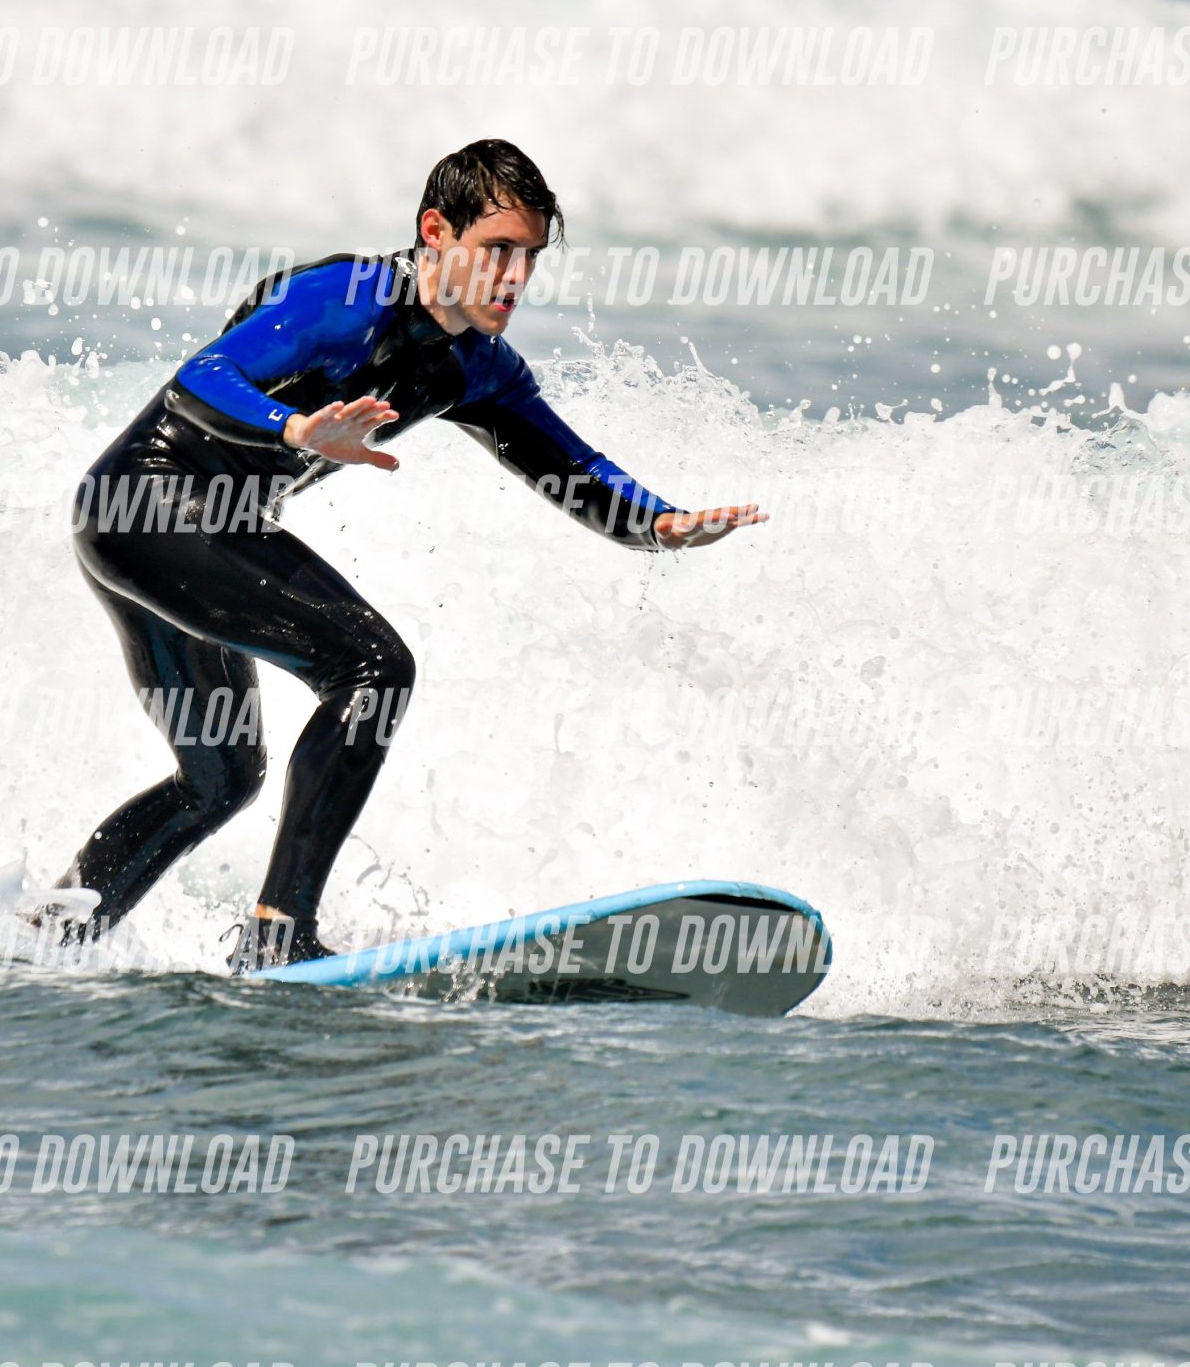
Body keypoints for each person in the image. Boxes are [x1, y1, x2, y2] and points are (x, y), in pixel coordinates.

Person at [50, 139, 763, 971]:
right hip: (143, 505)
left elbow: (574, 468)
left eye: (530, 257)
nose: (516, 276)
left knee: (222, 775)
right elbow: (202, 377)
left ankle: (46, 931)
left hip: (197, 532)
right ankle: (278, 936)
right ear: (435, 232)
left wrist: (659, 524)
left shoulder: (476, 368)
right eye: (497, 249)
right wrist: (294, 428)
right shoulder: (345, 298)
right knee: (372, 668)